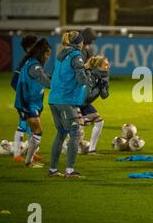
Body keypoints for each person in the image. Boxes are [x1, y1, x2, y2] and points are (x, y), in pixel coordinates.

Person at [47, 31, 93, 178]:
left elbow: (68, 73)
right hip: (65, 100)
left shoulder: (62, 53)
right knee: (75, 133)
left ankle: (53, 170)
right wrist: (89, 77)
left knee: (60, 134)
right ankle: (69, 170)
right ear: (79, 43)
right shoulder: (76, 55)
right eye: (82, 41)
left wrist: (84, 69)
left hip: (54, 98)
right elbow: (80, 79)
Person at [14, 38, 52, 168]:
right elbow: (47, 82)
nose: (48, 57)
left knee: (34, 131)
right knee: (38, 131)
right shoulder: (35, 66)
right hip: (28, 103)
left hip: (32, 102)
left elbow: (47, 77)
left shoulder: (33, 63)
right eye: (47, 54)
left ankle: (29, 159)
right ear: (42, 53)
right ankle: (27, 160)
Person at [11, 34, 39, 162]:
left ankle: (32, 153)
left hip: (33, 99)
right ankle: (17, 154)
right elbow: (14, 81)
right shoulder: (24, 62)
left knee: (32, 126)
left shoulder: (34, 60)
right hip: (25, 99)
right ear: (29, 48)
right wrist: (23, 94)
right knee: (22, 125)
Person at [78, 55, 110, 154]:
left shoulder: (103, 76)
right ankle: (66, 147)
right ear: (99, 67)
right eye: (106, 65)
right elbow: (86, 96)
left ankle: (92, 150)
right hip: (76, 103)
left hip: (84, 104)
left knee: (99, 122)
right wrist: (99, 88)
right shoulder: (90, 76)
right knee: (77, 127)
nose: (108, 67)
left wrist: (104, 86)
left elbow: (104, 96)